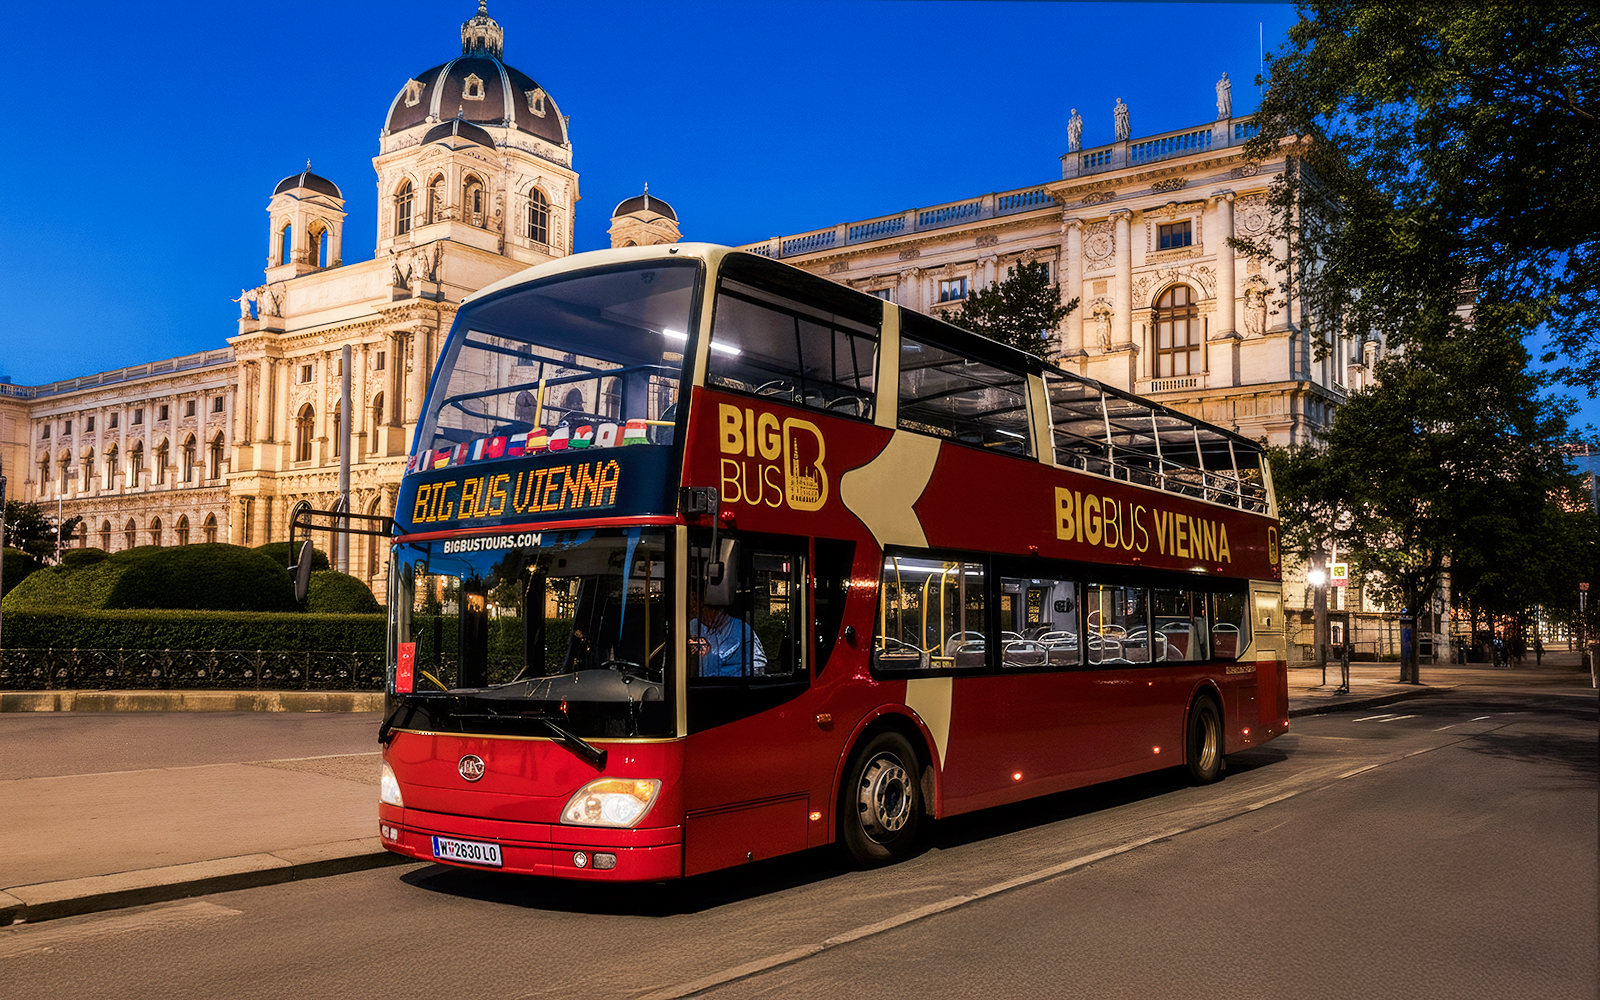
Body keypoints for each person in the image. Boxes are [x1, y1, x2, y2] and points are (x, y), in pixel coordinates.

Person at [688, 589, 766, 677]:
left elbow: (758, 666)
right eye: (693, 608)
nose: (696, 612)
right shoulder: (695, 627)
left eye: (701, 608)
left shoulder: (741, 629)